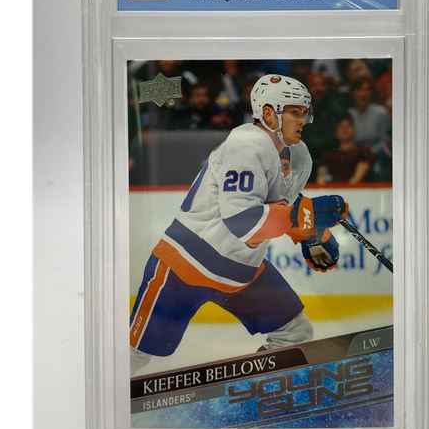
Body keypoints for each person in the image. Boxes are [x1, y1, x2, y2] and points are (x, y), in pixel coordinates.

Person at [130, 74, 348, 374]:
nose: (303, 120)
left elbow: (281, 209)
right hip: (187, 261)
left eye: (304, 112)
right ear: (269, 114)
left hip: (240, 271)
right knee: (136, 352)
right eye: (295, 112)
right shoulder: (246, 144)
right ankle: (108, 391)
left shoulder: (299, 157)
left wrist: (310, 235)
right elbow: (244, 221)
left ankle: (254, 388)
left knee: (295, 334)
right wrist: (308, 214)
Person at [316, 117, 372, 184]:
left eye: (348, 126)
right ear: (336, 132)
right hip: (332, 189)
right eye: (341, 127)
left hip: (355, 189)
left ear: (354, 130)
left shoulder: (363, 151)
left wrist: (345, 189)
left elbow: (357, 178)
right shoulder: (328, 155)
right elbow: (321, 178)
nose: (345, 129)